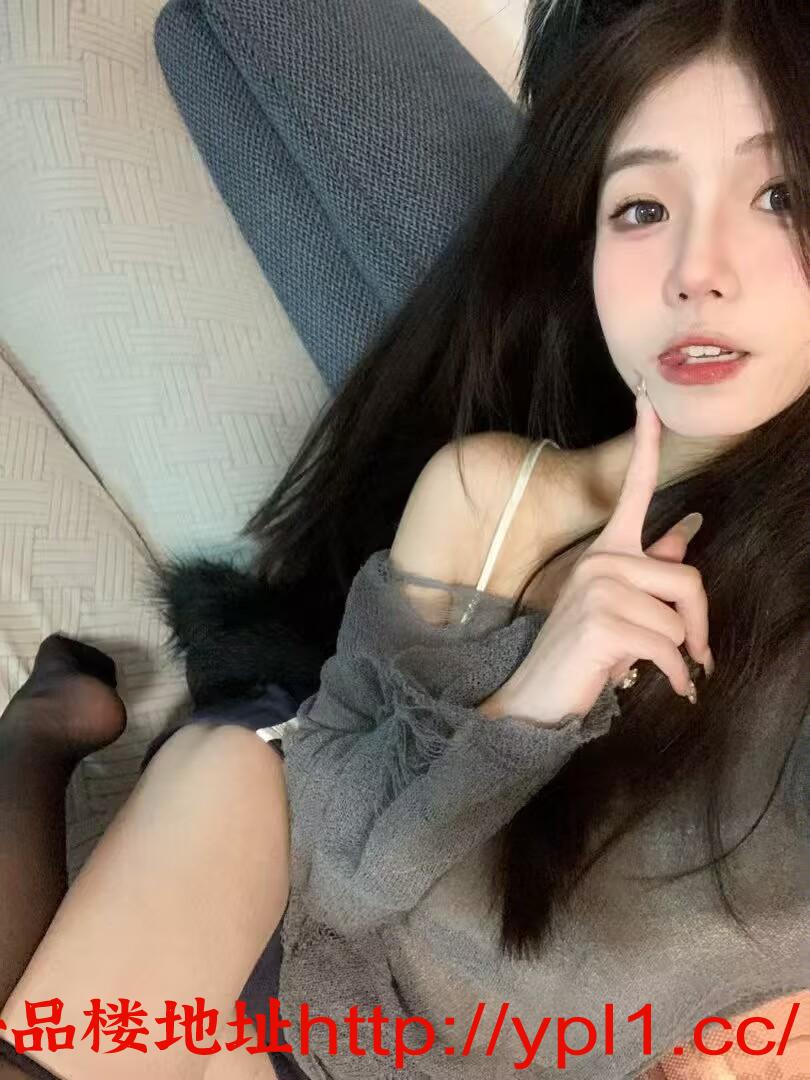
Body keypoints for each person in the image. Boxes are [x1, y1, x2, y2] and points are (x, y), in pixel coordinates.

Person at [1, 0, 809, 1077]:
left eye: (779, 194)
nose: (697, 270)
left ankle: (34, 746)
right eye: (643, 207)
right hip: (315, 982)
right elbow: (332, 881)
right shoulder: (495, 497)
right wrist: (531, 705)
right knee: (235, 770)